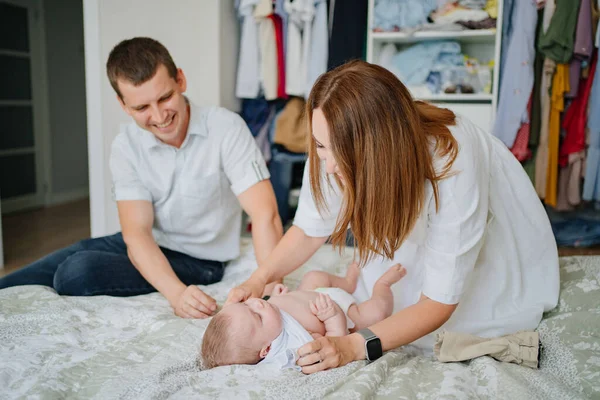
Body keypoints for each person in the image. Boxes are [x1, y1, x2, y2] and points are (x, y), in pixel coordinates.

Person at [226, 60, 560, 374]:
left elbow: (439, 303)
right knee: (391, 299)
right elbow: (310, 230)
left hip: (489, 240)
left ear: (377, 150)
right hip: (414, 226)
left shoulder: (452, 160)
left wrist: (353, 347)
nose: (327, 166)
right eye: (320, 147)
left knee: (445, 322)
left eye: (336, 153)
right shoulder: (332, 139)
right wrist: (260, 278)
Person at [0, 37, 283, 319]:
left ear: (181, 80)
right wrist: (177, 294)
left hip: (201, 260)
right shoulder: (126, 145)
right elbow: (136, 233)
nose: (160, 117)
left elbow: (264, 215)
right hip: (149, 241)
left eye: (165, 98)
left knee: (76, 272)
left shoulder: (225, 127)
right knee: (58, 260)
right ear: (123, 105)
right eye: (142, 108)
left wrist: (269, 287)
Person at [201, 263, 406, 369]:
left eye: (246, 304)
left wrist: (277, 296)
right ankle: (383, 286)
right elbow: (337, 339)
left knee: (313, 276)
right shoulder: (298, 342)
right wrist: (332, 315)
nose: (257, 302)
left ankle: (347, 282)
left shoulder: (268, 317)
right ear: (267, 349)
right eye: (257, 315)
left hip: (314, 291)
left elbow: (267, 305)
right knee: (376, 312)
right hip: (342, 310)